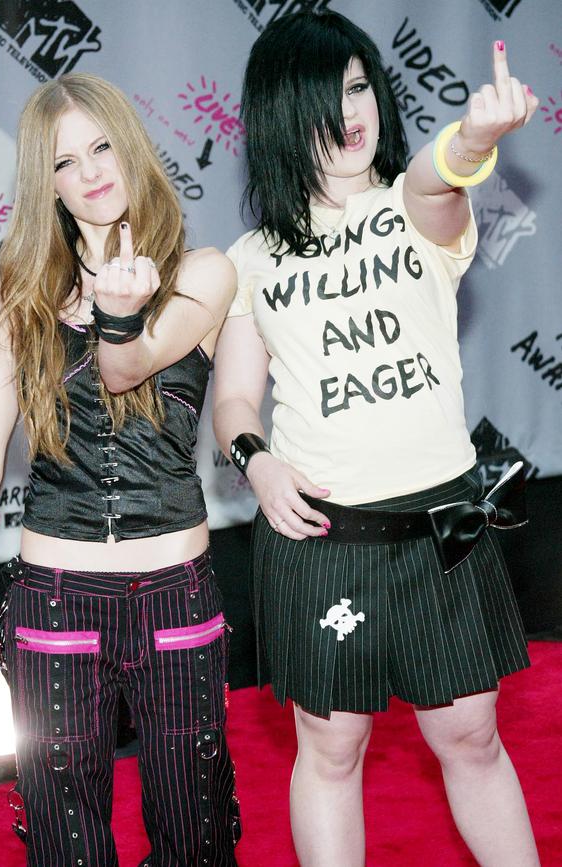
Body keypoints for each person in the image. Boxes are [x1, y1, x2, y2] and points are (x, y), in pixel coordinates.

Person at [213, 10, 540, 867]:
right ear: (284, 118)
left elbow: (443, 174)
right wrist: (257, 460)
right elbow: (236, 399)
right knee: (330, 752)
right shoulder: (250, 259)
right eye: (330, 95)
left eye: (361, 86)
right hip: (322, 537)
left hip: (447, 528)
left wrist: (473, 134)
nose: (352, 110)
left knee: (472, 738)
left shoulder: (411, 206)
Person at [0, 72, 240, 867]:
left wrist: (119, 311)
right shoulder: (19, 294)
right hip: (53, 604)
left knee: (196, 840)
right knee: (65, 847)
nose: (91, 171)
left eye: (101, 147)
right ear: (46, 184)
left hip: (177, 596)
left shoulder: (204, 272)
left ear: (130, 148)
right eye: (65, 162)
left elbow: (130, 367)